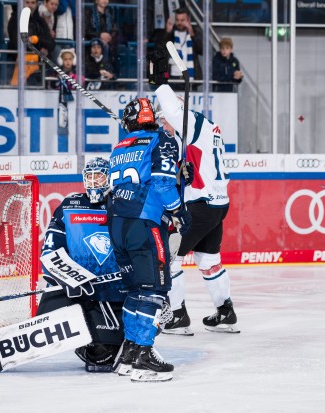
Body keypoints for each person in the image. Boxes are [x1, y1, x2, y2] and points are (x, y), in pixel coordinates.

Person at [149, 48, 239, 335]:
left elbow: (174, 112)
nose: (164, 125)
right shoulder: (206, 129)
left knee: (169, 257)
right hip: (216, 203)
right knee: (208, 259)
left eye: (164, 120)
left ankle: (177, 316)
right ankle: (225, 312)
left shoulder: (194, 124)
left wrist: (159, 83)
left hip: (201, 205)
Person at [107, 98, 192, 382]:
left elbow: (142, 179)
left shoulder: (119, 146)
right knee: (154, 289)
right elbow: (162, 183)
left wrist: (181, 176)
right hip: (145, 224)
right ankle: (144, 355)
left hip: (118, 224)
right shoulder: (162, 138)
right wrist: (178, 208)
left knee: (134, 291)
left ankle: (129, 354)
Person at [37, 157, 126, 372]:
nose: (94, 182)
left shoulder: (123, 205)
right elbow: (50, 250)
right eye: (90, 177)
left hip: (111, 289)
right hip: (75, 287)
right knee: (45, 320)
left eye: (100, 177)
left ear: (110, 178)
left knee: (104, 353)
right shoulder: (70, 205)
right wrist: (69, 278)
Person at [7, 0, 56, 86]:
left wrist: (37, 39)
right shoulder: (15, 20)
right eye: (27, 2)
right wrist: (40, 48)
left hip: (40, 67)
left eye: (33, 3)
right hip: (21, 65)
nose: (30, 5)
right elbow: (19, 43)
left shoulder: (40, 21)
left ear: (37, 4)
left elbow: (51, 44)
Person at [152, 8, 203, 85]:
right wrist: (167, 32)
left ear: (188, 20)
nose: (179, 22)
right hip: (173, 77)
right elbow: (159, 49)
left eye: (183, 20)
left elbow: (202, 50)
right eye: (177, 20)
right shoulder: (170, 33)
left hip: (190, 76)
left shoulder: (195, 32)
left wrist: (192, 34)